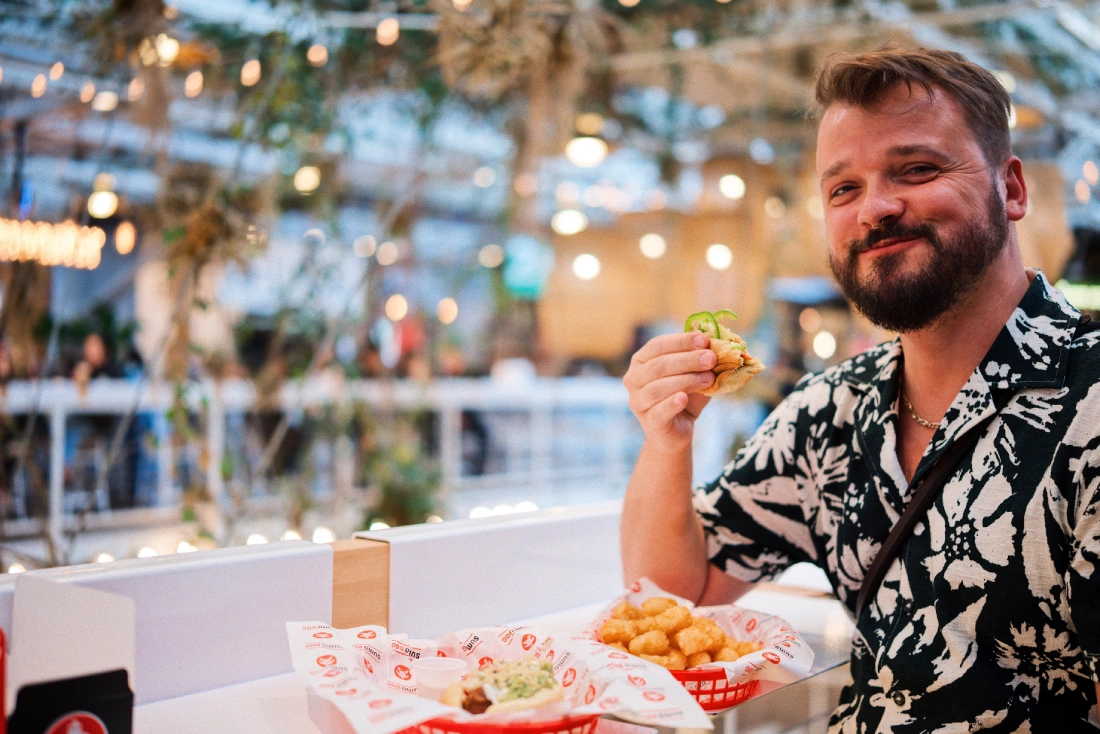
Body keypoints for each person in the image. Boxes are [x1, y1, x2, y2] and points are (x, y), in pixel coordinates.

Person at [621, 47, 1100, 731]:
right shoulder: (830, 413)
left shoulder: (1089, 404)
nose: (875, 207)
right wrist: (667, 436)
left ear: (1011, 189)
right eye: (843, 188)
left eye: (917, 169)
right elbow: (678, 596)